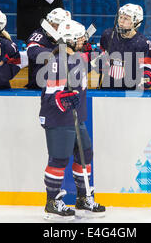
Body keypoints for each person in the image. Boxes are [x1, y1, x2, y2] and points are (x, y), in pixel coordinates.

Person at [39, 19, 105, 221]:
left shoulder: (77, 57)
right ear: (70, 41)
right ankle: (52, 202)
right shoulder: (58, 62)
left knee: (85, 153)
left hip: (75, 118)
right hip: (59, 118)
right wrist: (64, 98)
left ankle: (84, 197)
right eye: (80, 38)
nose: (84, 40)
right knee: (59, 158)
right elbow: (50, 97)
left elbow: (91, 62)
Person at [98, 3, 151, 90]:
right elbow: (99, 58)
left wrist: (146, 79)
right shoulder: (108, 35)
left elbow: (147, 70)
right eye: (120, 17)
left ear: (136, 22)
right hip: (107, 90)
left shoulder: (142, 43)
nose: (121, 21)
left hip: (130, 93)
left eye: (126, 19)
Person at [25, 7, 71, 89]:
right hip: (39, 87)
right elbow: (32, 51)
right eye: (49, 23)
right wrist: (56, 52)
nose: (50, 27)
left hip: (63, 87)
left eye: (55, 25)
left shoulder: (70, 37)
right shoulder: (39, 34)